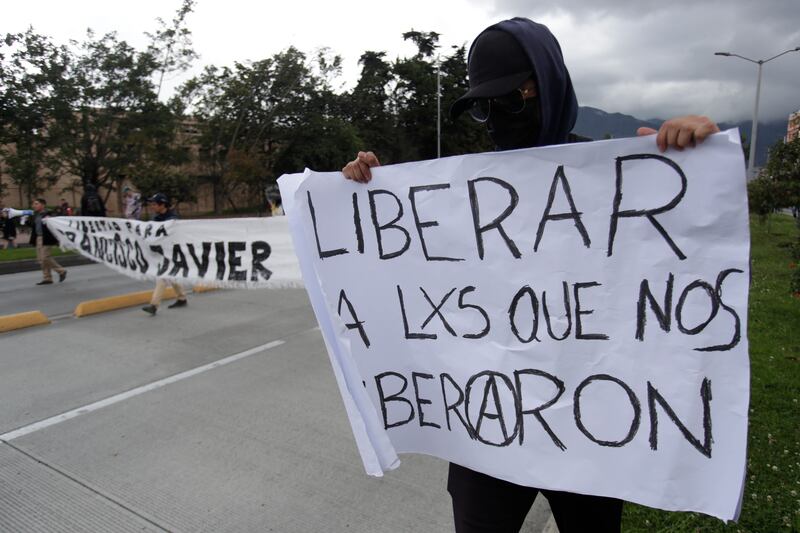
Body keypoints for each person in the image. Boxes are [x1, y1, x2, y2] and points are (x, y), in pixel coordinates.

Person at [341, 17, 720, 533]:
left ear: (548, 86)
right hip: (491, 434)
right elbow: (404, 273)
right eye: (484, 107)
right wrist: (360, 195)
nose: (498, 118)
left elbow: (684, 260)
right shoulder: (463, 193)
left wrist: (694, 163)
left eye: (512, 100)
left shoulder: (621, 176)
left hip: (593, 433)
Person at [141, 193, 187, 315]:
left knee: (162, 276)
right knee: (172, 275)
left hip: (172, 252)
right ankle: (181, 298)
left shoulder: (173, 219)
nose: (152, 206)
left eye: (154, 204)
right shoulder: (156, 218)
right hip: (162, 252)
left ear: (162, 205)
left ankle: (154, 305)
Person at [30, 198, 67, 286]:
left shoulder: (49, 214)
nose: (34, 206)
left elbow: (55, 225)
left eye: (36, 204)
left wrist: (49, 219)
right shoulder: (36, 215)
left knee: (45, 257)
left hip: (47, 238)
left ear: (43, 205)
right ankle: (47, 278)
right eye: (34, 204)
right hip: (38, 238)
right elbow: (34, 226)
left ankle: (61, 271)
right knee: (41, 260)